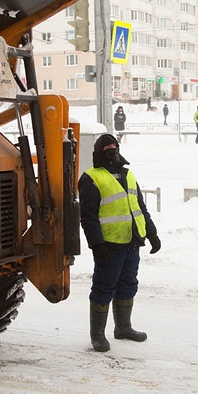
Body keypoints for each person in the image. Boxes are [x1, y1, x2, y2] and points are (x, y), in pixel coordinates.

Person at [79, 134, 160, 352]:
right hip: (109, 245)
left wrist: (151, 233)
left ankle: (123, 327)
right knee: (104, 288)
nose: (111, 150)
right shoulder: (91, 178)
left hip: (132, 241)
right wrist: (96, 245)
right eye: (106, 147)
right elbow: (87, 217)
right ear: (98, 152)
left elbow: (140, 208)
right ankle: (97, 335)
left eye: (114, 146)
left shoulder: (128, 174)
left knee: (128, 285)